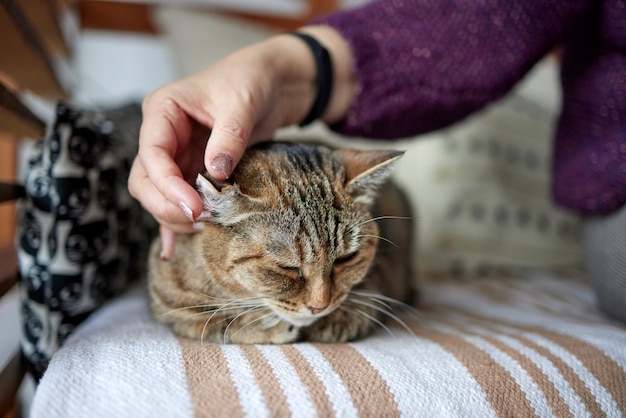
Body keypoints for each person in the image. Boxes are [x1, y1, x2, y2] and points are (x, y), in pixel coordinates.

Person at [128, 0, 626, 321]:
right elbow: (484, 19)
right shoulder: (202, 254)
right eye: (286, 266)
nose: (322, 300)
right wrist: (287, 71)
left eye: (344, 261)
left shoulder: (351, 230)